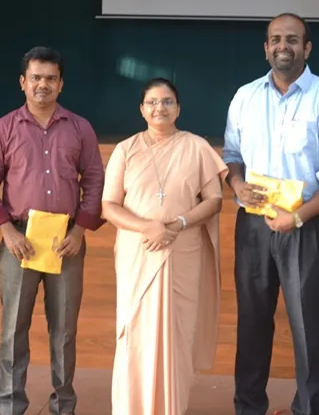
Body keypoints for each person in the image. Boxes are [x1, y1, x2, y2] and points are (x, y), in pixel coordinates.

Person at [222, 12, 319, 415]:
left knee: (306, 325)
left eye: (293, 39)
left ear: (307, 48)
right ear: (266, 48)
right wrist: (237, 184)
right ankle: (248, 408)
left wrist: (296, 217)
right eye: (276, 39)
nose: (284, 46)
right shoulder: (245, 96)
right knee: (252, 322)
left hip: (306, 226)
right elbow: (231, 157)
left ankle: (310, 409)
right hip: (253, 225)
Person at [0, 46, 106, 415]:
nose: (42, 85)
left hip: (66, 241)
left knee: (64, 331)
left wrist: (79, 231)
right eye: (35, 78)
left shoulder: (80, 128)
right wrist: (7, 231)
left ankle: (63, 404)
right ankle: (10, 405)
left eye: (50, 78)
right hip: (19, 240)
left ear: (61, 84)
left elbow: (95, 181)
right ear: (23, 82)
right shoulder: (4, 128)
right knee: (13, 329)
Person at [101, 77, 228, 415]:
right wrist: (148, 227)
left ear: (179, 108)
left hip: (182, 252)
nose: (160, 108)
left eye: (167, 101)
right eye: (153, 102)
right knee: (135, 334)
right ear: (142, 110)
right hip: (138, 252)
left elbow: (214, 200)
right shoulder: (125, 149)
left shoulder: (196, 146)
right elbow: (109, 206)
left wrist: (177, 224)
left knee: (177, 335)